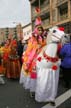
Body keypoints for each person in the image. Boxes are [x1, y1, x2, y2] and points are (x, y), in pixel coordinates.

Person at [20, 17, 47, 97]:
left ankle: (40, 88)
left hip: (42, 56)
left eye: (41, 30)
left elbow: (45, 46)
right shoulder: (32, 39)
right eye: (39, 30)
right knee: (33, 75)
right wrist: (37, 47)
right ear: (36, 30)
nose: (40, 31)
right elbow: (30, 48)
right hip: (34, 57)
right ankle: (32, 89)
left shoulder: (43, 38)